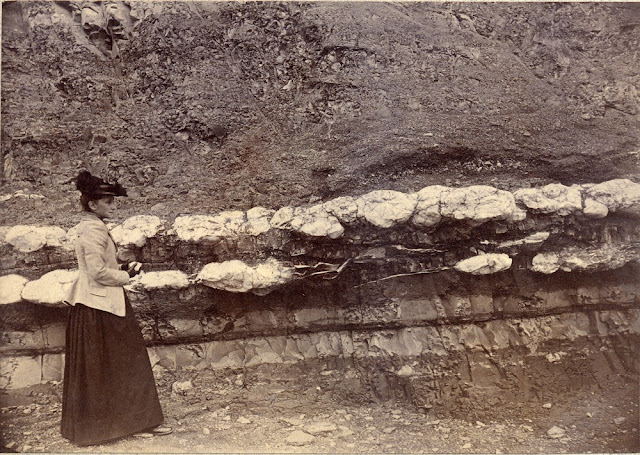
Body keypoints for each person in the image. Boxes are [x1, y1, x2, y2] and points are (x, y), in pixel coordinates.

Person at [61, 170, 171, 446]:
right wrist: (127, 276)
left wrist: (121, 268)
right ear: (92, 205)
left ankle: (130, 422)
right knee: (123, 363)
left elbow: (99, 267)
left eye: (112, 201)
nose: (113, 206)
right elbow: (97, 272)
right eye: (107, 202)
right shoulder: (91, 230)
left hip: (101, 302)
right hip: (98, 305)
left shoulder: (93, 226)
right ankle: (127, 424)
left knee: (117, 365)